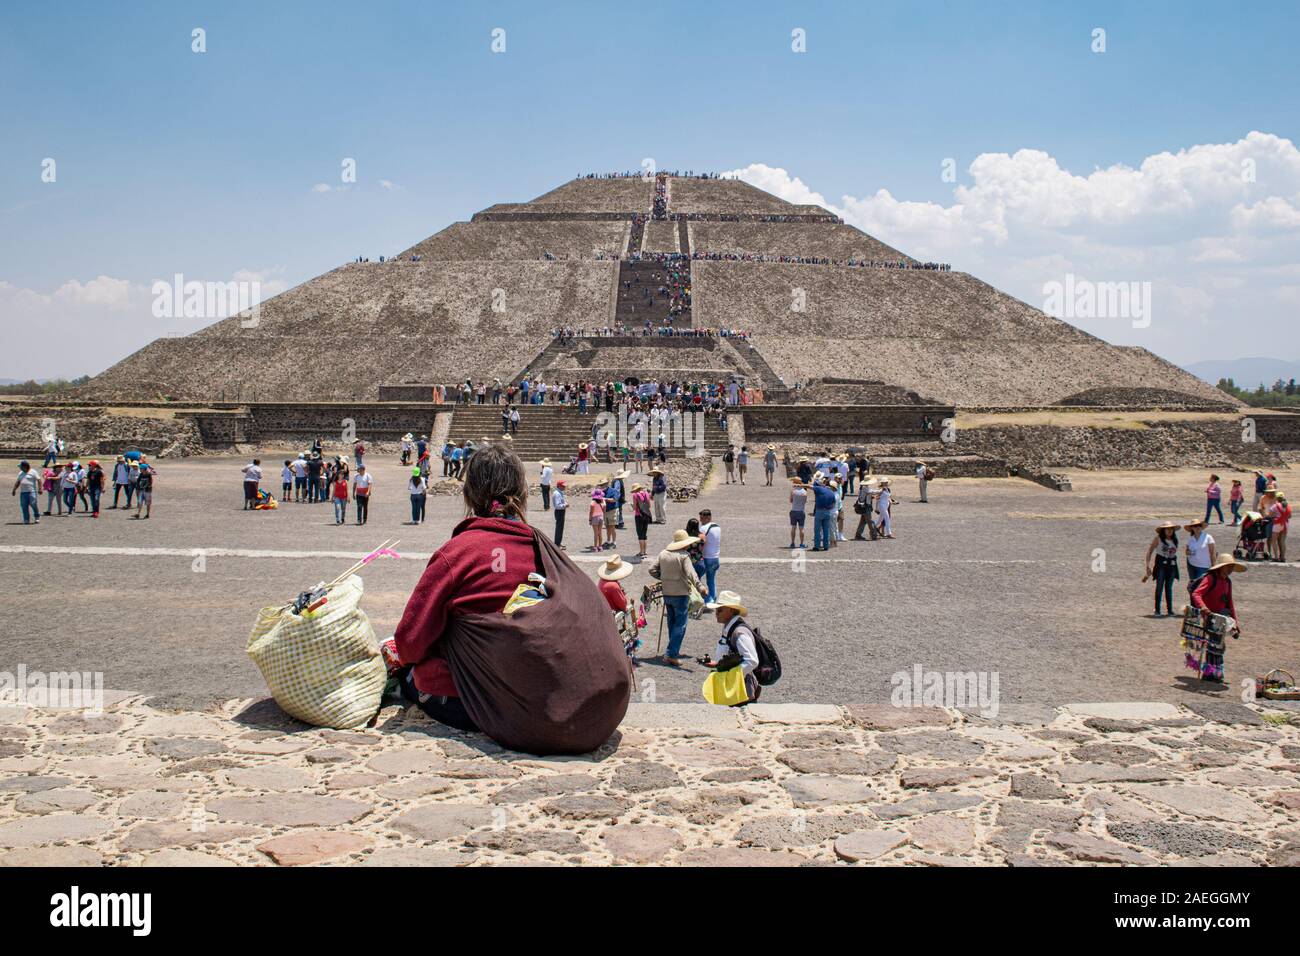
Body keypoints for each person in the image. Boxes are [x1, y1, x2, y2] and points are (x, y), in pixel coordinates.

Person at [391, 444, 536, 732]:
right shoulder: (543, 551)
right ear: (522, 493)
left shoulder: (456, 553)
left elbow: (409, 643)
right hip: (530, 698)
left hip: (466, 702)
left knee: (404, 670)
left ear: (469, 494)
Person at [1188, 555, 1246, 683]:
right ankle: (1212, 673)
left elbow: (1229, 603)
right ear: (1222, 567)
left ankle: (1213, 673)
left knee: (1217, 645)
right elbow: (1196, 594)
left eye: (1232, 567)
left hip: (1221, 617)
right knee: (1214, 645)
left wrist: (1235, 624)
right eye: (1228, 566)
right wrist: (1204, 608)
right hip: (1209, 617)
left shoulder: (1227, 582)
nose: (1231, 569)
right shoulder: (1210, 578)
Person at [649, 529, 701, 667]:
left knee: (672, 622)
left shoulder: (663, 554)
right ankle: (671, 654)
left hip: (667, 593)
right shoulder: (684, 556)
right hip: (681, 594)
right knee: (681, 625)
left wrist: (664, 578)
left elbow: (652, 569)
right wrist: (700, 586)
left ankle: (672, 649)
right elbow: (691, 574)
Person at [700, 591, 761, 704]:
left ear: (731, 610)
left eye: (720, 610)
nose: (716, 613)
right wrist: (718, 664)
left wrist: (730, 677)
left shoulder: (739, 633)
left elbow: (752, 661)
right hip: (734, 690)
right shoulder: (730, 628)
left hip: (740, 692)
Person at [1143, 521, 1180, 617]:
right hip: (1161, 566)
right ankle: (1157, 610)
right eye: (1167, 529)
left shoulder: (1175, 540)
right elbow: (1149, 551)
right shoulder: (1158, 539)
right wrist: (1147, 565)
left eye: (1171, 529)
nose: (1169, 531)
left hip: (1171, 566)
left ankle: (1170, 610)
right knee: (1159, 587)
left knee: (1169, 588)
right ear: (1163, 530)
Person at [1183, 518, 1215, 592]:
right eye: (1195, 526)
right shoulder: (1191, 539)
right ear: (1192, 528)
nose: (1197, 527)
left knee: (1200, 587)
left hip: (1204, 566)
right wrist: (1188, 552)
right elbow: (1186, 551)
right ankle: (1193, 602)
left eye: (1199, 525)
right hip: (1191, 565)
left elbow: (1212, 553)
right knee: (1193, 585)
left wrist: (1213, 567)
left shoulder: (1208, 537)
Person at [697, 508, 721, 603]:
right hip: (716, 558)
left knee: (696, 579)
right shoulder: (718, 527)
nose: (700, 520)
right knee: (711, 580)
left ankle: (708, 599)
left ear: (708, 518)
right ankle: (713, 599)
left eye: (702, 518)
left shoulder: (703, 528)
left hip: (707, 558)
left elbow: (699, 540)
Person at [811, 475, 837, 551]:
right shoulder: (832, 493)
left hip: (819, 511)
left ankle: (817, 546)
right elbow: (833, 504)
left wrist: (800, 484)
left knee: (817, 530)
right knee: (826, 530)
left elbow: (810, 486)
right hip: (827, 512)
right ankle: (826, 546)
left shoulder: (819, 489)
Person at [11, 461, 41, 525]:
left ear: (24, 466)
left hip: (32, 491)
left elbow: (39, 480)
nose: (20, 468)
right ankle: (26, 519)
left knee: (33, 504)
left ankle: (37, 516)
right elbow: (18, 481)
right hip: (23, 492)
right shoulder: (21, 473)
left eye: (21, 467)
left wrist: (40, 488)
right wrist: (14, 489)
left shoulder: (33, 472)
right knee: (24, 506)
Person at [631, 482, 653, 557]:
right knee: (644, 533)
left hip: (638, 515)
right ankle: (645, 551)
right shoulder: (646, 493)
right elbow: (649, 505)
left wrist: (632, 506)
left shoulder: (635, 495)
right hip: (646, 515)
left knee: (640, 534)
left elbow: (634, 508)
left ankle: (641, 552)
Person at [1267, 490, 1289, 562]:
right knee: (1282, 541)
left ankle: (1276, 557)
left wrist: (1275, 516)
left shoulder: (1275, 506)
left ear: (1277, 498)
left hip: (1277, 524)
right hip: (1285, 524)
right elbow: (1290, 516)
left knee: (1274, 541)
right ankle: (1283, 557)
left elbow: (1270, 515)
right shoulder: (1287, 506)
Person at [789, 478, 808, 548]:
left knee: (793, 528)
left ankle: (792, 543)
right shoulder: (805, 492)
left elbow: (791, 501)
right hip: (801, 511)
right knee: (801, 529)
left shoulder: (793, 491)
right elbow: (805, 502)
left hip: (794, 511)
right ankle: (801, 543)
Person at [552, 479, 567, 548]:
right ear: (559, 486)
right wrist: (565, 505)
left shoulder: (559, 492)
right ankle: (557, 544)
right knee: (559, 528)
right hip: (559, 511)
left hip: (561, 511)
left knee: (560, 528)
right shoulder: (557, 494)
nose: (564, 487)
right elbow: (557, 506)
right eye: (563, 486)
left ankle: (558, 542)